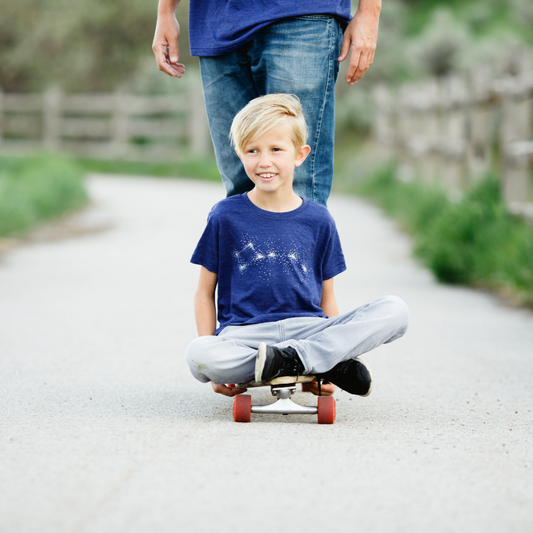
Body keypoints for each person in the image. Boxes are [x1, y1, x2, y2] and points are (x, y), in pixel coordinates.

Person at [185, 94, 408, 398]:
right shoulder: (225, 216)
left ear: (299, 155)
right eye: (253, 150)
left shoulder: (319, 220)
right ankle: (318, 364)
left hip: (309, 329)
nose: (264, 161)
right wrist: (215, 366)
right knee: (199, 354)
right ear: (239, 154)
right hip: (246, 337)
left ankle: (300, 358)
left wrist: (332, 345)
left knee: (396, 310)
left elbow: (327, 297)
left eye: (276, 149)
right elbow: (203, 292)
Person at [153, 0, 381, 206]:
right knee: (240, 189)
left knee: (299, 188)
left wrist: (370, 11)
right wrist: (166, 10)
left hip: (303, 15)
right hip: (217, 20)